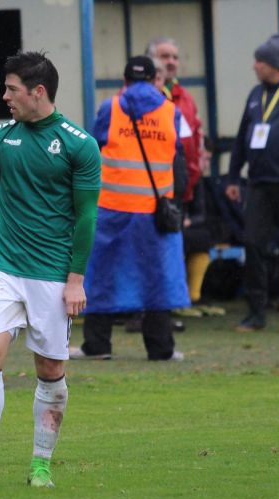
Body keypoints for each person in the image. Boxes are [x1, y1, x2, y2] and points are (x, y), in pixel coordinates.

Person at [0, 51, 101, 488]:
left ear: (39, 92)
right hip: (3, 265)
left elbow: (86, 216)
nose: (5, 97)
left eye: (12, 89)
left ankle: (40, 464)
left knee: (51, 371)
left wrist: (76, 279)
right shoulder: (0, 138)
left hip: (53, 274)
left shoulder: (79, 144)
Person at [70, 56, 189, 362]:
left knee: (102, 274)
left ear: (124, 81)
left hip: (111, 207)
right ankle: (161, 348)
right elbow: (178, 159)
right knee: (157, 277)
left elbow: (93, 149)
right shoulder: (171, 112)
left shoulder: (111, 108)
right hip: (154, 209)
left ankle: (97, 345)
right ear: (154, 80)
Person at [226, 34, 279, 333]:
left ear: (274, 64)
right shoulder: (255, 94)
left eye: (259, 61)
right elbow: (241, 138)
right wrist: (234, 175)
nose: (254, 66)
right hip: (259, 185)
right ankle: (256, 313)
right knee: (253, 244)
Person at [147, 37, 212, 313]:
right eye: (165, 56)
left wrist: (191, 181)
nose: (171, 61)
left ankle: (175, 301)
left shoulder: (185, 98)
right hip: (152, 188)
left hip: (182, 185)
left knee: (175, 246)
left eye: (175, 56)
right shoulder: (146, 98)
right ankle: (152, 307)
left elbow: (194, 141)